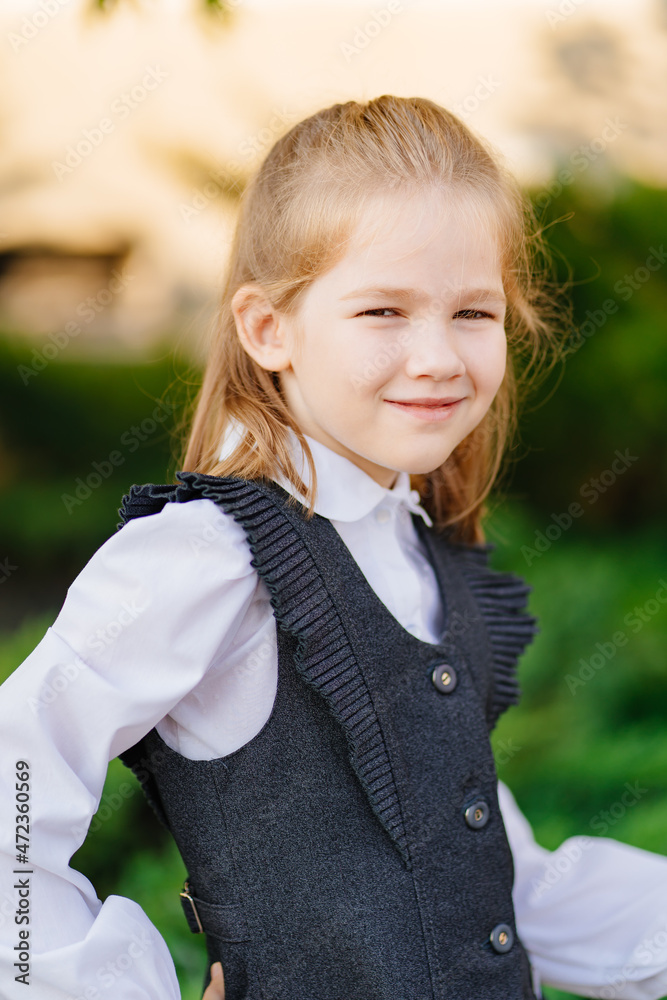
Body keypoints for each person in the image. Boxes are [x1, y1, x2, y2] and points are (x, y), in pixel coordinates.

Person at [1, 95, 666, 1000]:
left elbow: (492, 881)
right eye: (383, 311)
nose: (436, 355)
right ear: (267, 329)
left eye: (473, 312)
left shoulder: (418, 550)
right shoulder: (204, 555)